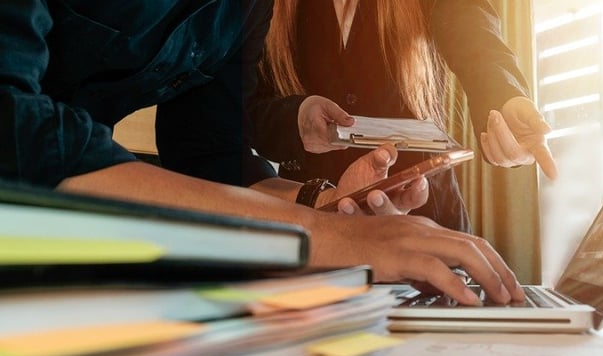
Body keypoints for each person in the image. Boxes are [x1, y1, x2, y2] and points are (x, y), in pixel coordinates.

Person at [0, 0, 523, 305]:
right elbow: (17, 131)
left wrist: (321, 203)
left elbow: (211, 153)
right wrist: (322, 235)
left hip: (52, 249)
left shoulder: (244, 10)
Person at [251, 0, 557, 232]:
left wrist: (502, 97)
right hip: (314, 220)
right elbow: (243, 111)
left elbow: (471, 27)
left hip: (425, 217)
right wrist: (295, 120)